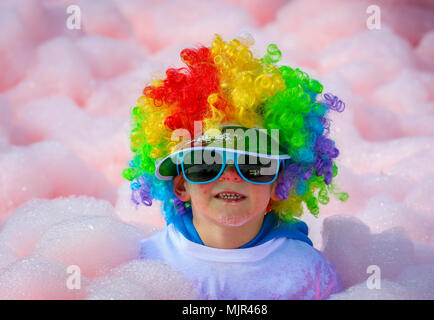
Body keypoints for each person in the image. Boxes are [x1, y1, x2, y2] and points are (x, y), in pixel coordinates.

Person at [123, 33, 349, 299]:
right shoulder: (145, 263)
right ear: (181, 185)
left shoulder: (309, 273)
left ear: (279, 184)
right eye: (208, 163)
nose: (231, 176)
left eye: (253, 163)